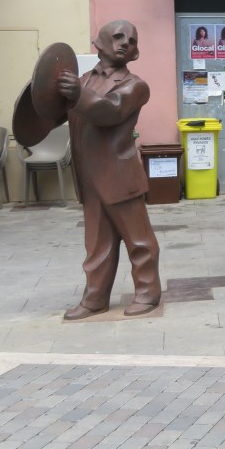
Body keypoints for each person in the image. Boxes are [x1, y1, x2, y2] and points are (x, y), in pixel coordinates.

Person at [57, 20, 162, 319]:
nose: (125, 42)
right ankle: (95, 299)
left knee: (139, 241)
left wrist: (76, 94)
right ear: (99, 42)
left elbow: (109, 111)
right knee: (96, 245)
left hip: (119, 175)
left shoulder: (134, 86)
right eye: (118, 36)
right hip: (89, 176)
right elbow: (57, 113)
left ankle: (148, 293)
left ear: (135, 52)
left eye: (132, 40)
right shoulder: (83, 80)